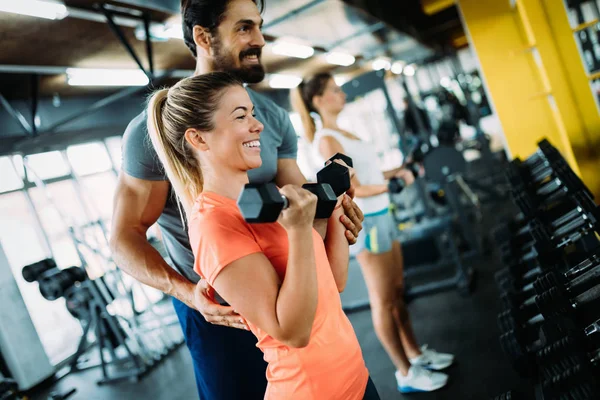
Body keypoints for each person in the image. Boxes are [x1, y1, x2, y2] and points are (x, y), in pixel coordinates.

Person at [109, 1, 364, 399]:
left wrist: (334, 208)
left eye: (260, 27)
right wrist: (186, 293)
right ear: (203, 37)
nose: (259, 40)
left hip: (285, 285)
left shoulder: (271, 119)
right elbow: (124, 236)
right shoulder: (152, 132)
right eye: (244, 28)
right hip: (214, 307)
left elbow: (304, 205)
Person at [146, 70, 379, 400]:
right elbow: (293, 331)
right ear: (198, 139)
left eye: (253, 113)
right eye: (241, 116)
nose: (258, 126)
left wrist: (335, 209)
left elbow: (333, 282)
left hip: (356, 378)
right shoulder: (213, 224)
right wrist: (299, 232)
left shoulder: (268, 198)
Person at [292, 72, 455, 394]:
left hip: (384, 214)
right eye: (335, 91)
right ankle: (404, 372)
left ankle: (416, 354)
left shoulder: (343, 131)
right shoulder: (327, 139)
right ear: (319, 100)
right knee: (382, 300)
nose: (341, 94)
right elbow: (351, 188)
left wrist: (400, 170)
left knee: (397, 290)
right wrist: (393, 184)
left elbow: (367, 173)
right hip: (368, 222)